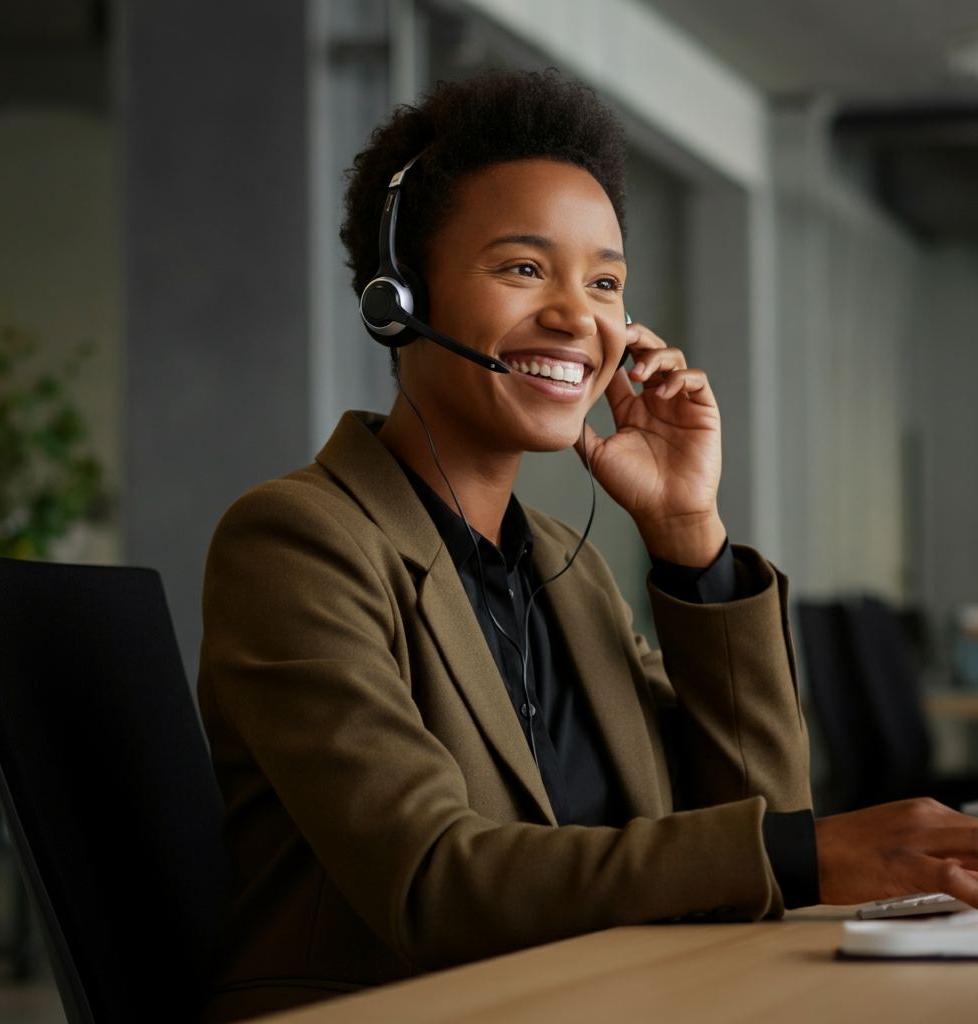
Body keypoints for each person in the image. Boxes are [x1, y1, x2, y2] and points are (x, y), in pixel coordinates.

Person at [196, 69, 978, 1024]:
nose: (579, 316)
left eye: (604, 281)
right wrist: (808, 853)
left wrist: (689, 537)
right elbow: (433, 881)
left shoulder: (570, 569)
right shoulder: (299, 541)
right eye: (524, 268)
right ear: (399, 296)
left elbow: (753, 813)